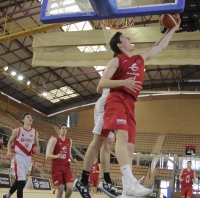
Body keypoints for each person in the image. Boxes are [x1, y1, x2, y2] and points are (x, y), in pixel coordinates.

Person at [96, 20, 181, 198]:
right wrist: (123, 82)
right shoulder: (116, 60)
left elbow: (160, 46)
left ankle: (127, 190)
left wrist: (171, 29)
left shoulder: (139, 58)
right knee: (122, 137)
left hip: (130, 103)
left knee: (129, 146)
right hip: (116, 99)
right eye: (124, 37)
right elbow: (102, 83)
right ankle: (130, 182)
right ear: (120, 45)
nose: (128, 37)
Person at [75, 75, 117, 198]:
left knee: (108, 144)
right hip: (106, 105)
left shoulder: (124, 67)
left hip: (111, 105)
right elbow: (99, 87)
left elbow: (99, 89)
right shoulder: (114, 66)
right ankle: (83, 181)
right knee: (97, 142)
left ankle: (107, 180)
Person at [2, 113, 39, 198]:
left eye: (31, 117)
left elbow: (37, 145)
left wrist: (36, 148)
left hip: (28, 158)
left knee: (19, 182)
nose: (30, 118)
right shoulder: (17, 130)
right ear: (23, 120)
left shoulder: (35, 132)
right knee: (22, 182)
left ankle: (7, 196)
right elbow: (10, 142)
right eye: (28, 117)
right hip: (19, 157)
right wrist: (8, 151)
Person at [47, 124, 77, 198]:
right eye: (63, 128)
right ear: (59, 130)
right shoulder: (55, 140)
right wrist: (56, 156)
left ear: (66, 131)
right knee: (60, 189)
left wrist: (73, 160)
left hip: (66, 166)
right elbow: (49, 155)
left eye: (65, 129)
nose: (64, 129)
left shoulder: (69, 140)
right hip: (57, 167)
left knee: (70, 188)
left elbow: (69, 153)